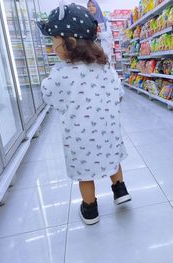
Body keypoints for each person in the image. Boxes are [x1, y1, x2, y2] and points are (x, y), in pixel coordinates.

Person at [37, 3, 131, 225]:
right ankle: (120, 190)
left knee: (85, 173)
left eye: (54, 40)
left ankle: (90, 209)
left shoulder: (61, 74)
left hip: (81, 137)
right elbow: (119, 93)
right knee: (113, 159)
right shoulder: (105, 67)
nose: (52, 45)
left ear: (68, 42)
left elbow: (49, 96)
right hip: (107, 130)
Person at [87, 0, 114, 65]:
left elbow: (109, 34)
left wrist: (99, 35)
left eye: (93, 6)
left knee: (105, 67)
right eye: (89, 6)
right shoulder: (87, 21)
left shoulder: (104, 20)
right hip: (92, 50)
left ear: (97, 7)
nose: (91, 8)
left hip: (104, 49)